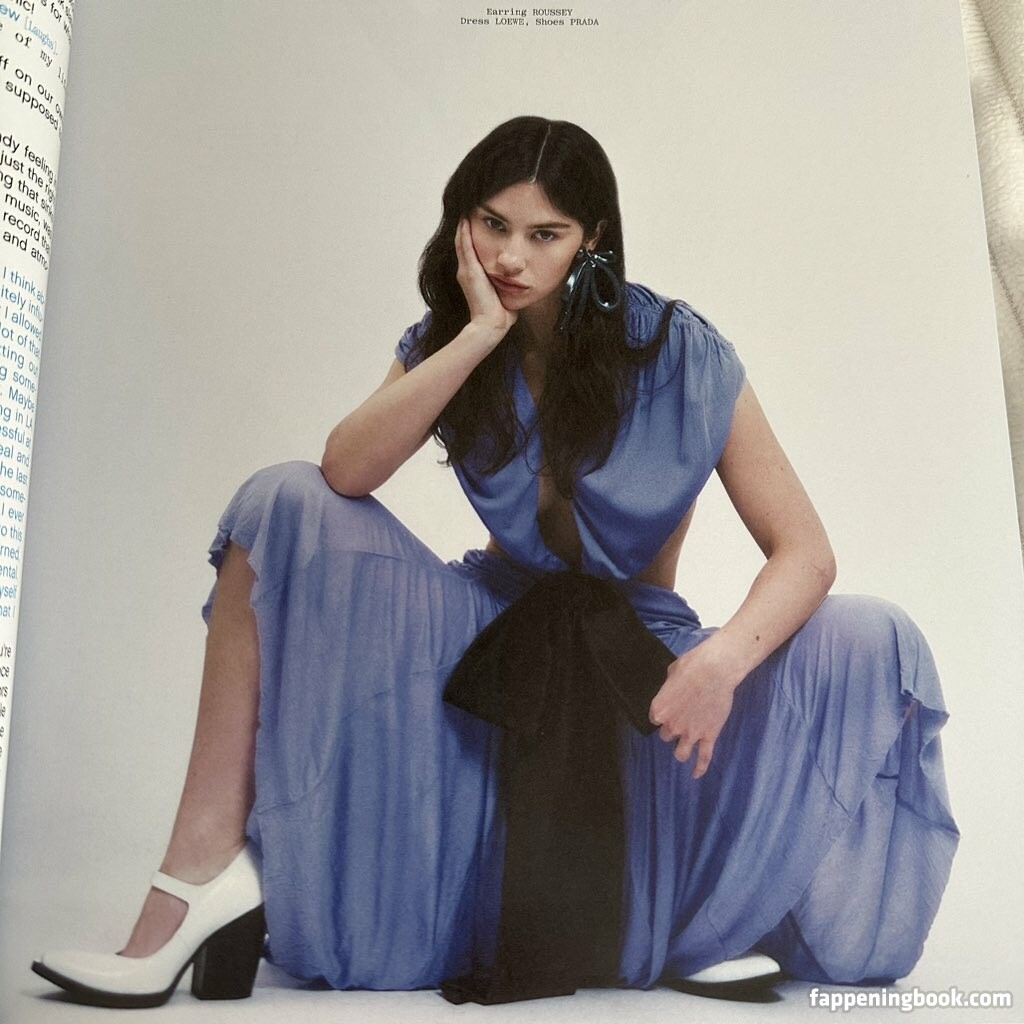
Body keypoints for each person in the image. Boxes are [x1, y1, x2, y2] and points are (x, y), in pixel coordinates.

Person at [31, 116, 959, 1009]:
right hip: (492, 642)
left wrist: (719, 666)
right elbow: (345, 470)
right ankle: (198, 876)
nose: (512, 257)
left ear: (592, 240)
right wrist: (477, 336)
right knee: (280, 502)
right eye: (493, 225)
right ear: (462, 222)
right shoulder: (454, 335)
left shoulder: (680, 351)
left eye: (545, 234)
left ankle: (701, 916)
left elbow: (806, 553)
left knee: (872, 635)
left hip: (638, 666)